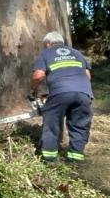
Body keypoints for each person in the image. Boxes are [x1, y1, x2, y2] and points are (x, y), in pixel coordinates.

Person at [30, 31, 93, 164]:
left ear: (47, 44)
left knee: (52, 124)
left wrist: (33, 88)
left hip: (60, 92)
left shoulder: (46, 53)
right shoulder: (77, 53)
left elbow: (38, 75)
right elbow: (87, 76)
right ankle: (76, 159)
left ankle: (49, 159)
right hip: (84, 93)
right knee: (79, 125)